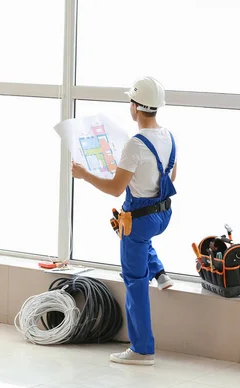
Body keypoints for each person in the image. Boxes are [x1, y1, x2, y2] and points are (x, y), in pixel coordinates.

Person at [71, 76, 177, 366]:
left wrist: (85, 174)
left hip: (139, 218)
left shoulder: (134, 145)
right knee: (138, 237)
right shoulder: (168, 136)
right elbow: (171, 176)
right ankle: (161, 273)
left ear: (135, 107)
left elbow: (115, 189)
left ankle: (142, 350)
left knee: (135, 282)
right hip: (162, 214)